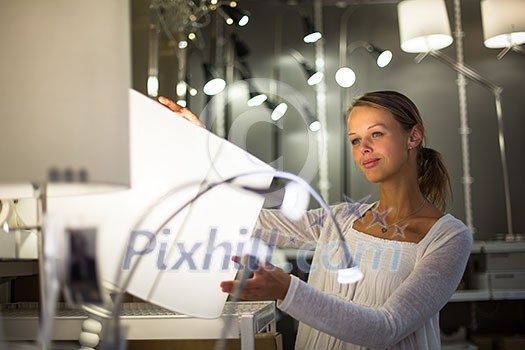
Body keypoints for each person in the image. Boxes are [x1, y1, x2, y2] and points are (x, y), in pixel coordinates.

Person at [159, 91, 473, 349]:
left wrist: (288, 290)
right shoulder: (339, 218)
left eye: (376, 134)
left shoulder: (448, 237)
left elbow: (386, 328)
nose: (364, 148)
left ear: (413, 135)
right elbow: (254, 221)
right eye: (354, 140)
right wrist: (202, 148)